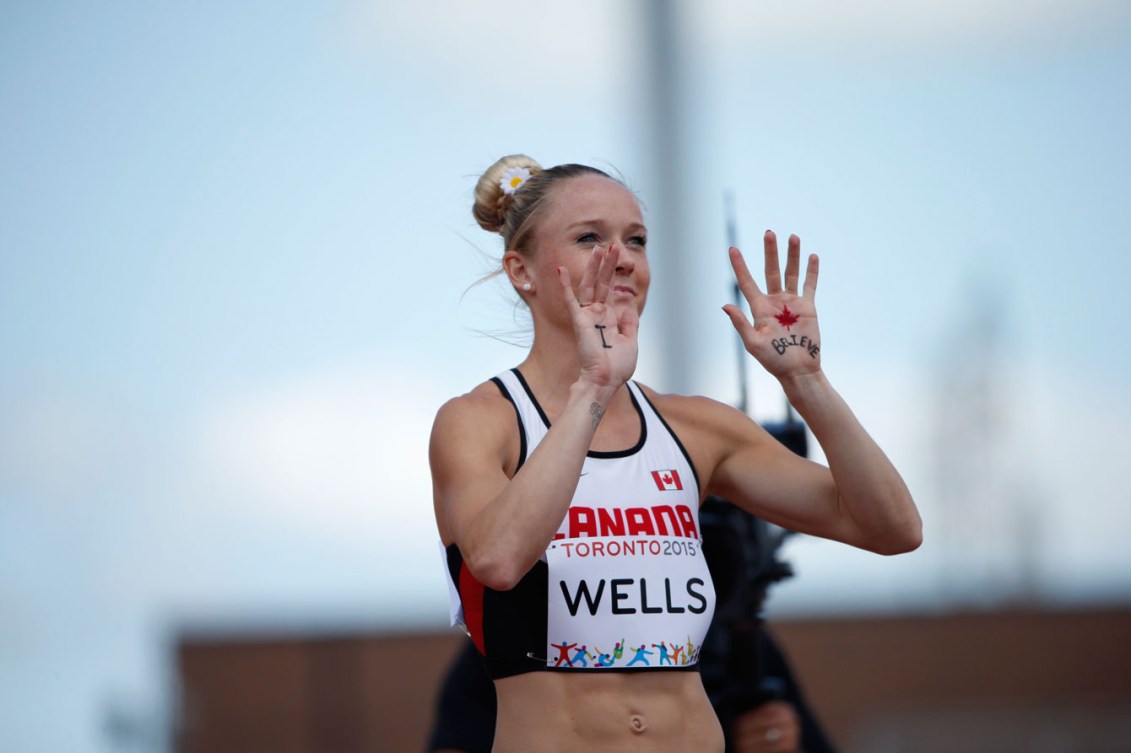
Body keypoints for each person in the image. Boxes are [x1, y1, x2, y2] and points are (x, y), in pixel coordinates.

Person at [430, 154, 921, 753]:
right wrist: (594, 387)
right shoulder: (480, 421)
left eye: (636, 239)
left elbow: (893, 528)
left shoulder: (695, 427)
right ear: (522, 271)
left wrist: (806, 382)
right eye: (590, 238)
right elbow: (499, 560)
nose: (624, 258)